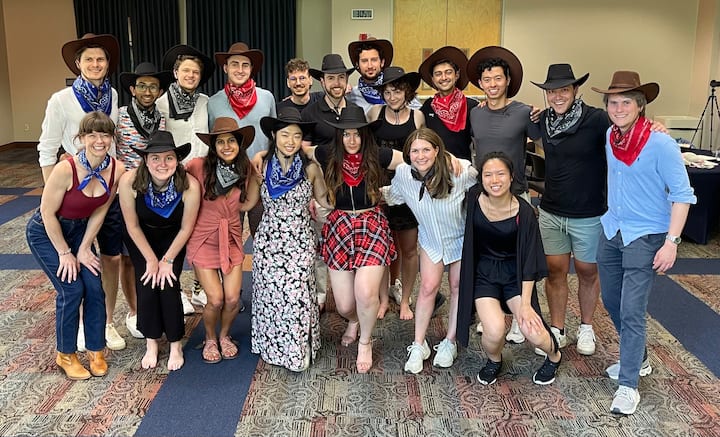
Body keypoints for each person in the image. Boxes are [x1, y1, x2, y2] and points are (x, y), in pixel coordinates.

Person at [592, 71, 696, 415]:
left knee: (632, 310)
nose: (619, 108)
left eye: (626, 102)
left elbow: (682, 195)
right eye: (613, 102)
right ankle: (640, 358)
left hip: (646, 234)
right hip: (612, 230)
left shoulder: (661, 143)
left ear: (640, 105)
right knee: (611, 300)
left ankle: (628, 385)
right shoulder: (611, 135)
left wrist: (672, 242)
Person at [37, 33, 125, 352]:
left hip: (106, 188)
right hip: (74, 192)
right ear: (78, 64)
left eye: (100, 59)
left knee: (110, 256)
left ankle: (107, 321)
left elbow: (111, 142)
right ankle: (79, 325)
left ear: (108, 64)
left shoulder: (112, 95)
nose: (95, 64)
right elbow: (47, 149)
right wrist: (56, 193)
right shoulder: (61, 100)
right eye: (89, 59)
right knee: (73, 263)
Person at [303, 106, 404, 373]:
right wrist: (263, 153)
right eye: (346, 134)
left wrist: (449, 158)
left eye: (357, 134)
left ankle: (366, 341)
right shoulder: (327, 153)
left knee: (366, 293)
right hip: (339, 227)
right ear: (339, 136)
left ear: (365, 135)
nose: (352, 140)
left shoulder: (378, 155)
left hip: (372, 226)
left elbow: (414, 157)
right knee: (345, 304)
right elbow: (300, 150)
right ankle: (354, 320)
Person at [27, 111, 125, 380]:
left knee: (94, 288)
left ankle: (96, 349)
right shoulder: (65, 169)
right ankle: (66, 354)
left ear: (112, 138)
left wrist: (84, 248)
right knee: (71, 289)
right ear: (81, 138)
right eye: (92, 134)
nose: (99, 140)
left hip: (81, 233)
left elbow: (100, 211)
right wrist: (65, 253)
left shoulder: (116, 169)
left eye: (105, 134)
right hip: (48, 233)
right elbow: (47, 213)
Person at [457, 152, 562, 386]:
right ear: (481, 178)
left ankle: (555, 356)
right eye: (488, 175)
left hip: (516, 275)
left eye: (500, 174)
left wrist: (525, 305)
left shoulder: (524, 212)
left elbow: (530, 261)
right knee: (494, 331)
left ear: (512, 176)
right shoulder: (473, 198)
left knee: (532, 332)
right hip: (484, 274)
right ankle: (494, 360)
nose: (494, 180)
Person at [381, 128, 477, 373]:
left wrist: (455, 159)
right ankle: (418, 343)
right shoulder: (403, 174)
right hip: (431, 240)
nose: (420, 156)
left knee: (457, 286)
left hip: (460, 239)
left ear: (437, 150)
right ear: (408, 154)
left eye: (426, 149)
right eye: (415, 151)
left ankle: (450, 341)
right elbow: (392, 195)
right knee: (427, 288)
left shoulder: (457, 171)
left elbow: (482, 178)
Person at [466, 45, 541, 343]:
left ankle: (520, 316)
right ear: (480, 83)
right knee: (487, 256)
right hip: (484, 197)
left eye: (498, 78)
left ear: (507, 80)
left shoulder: (524, 112)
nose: (493, 84)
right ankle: (490, 313)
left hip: (517, 195)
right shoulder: (475, 114)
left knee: (519, 258)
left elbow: (544, 139)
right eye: (487, 80)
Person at [251, 108, 332, 372]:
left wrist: (356, 197)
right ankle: (273, 346)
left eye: (297, 136)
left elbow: (325, 200)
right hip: (268, 240)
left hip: (300, 239)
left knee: (297, 293)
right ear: (274, 136)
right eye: (285, 134)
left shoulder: (310, 168)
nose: (290, 141)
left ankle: (298, 349)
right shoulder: (262, 166)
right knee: (272, 295)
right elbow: (248, 203)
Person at [118, 131, 200, 371]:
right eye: (155, 158)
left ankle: (175, 344)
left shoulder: (189, 185)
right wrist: (151, 260)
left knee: (168, 284)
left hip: (173, 237)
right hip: (141, 236)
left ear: (177, 160)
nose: (162, 164)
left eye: (168, 158)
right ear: (146, 160)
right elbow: (132, 226)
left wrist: (167, 260)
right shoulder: (129, 181)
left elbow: (186, 228)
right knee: (146, 284)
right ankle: (151, 342)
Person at [186, 117, 260, 363]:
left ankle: (225, 335)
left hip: (231, 237)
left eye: (231, 141)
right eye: (221, 142)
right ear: (213, 146)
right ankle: (209, 338)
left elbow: (248, 203)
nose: (227, 146)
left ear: (239, 144)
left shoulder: (245, 168)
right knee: (215, 298)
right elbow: (175, 183)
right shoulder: (197, 166)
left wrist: (258, 174)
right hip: (204, 237)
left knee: (232, 299)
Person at [115, 62, 173, 342]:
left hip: (155, 193)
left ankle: (154, 304)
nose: (147, 91)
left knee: (154, 251)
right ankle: (134, 310)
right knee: (129, 256)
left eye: (152, 86)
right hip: (127, 192)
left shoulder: (161, 119)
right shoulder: (120, 115)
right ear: (132, 89)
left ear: (159, 91)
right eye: (142, 86)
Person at [157, 44, 215, 313]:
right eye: (186, 71)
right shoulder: (161, 104)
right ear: (175, 72)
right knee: (174, 234)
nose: (191, 75)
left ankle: (200, 287)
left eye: (195, 72)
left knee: (201, 233)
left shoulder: (205, 102)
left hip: (201, 177)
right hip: (173, 178)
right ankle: (177, 290)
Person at [367, 66, 425, 319]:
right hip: (379, 189)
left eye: (397, 91)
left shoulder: (417, 117)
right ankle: (383, 298)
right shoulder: (374, 112)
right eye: (388, 92)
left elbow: (422, 153)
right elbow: (366, 149)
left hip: (408, 189)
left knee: (409, 248)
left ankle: (405, 299)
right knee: (381, 249)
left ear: (407, 92)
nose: (392, 97)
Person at [208, 42, 276, 241]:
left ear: (251, 68)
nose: (240, 69)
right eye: (234, 64)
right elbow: (212, 142)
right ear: (225, 68)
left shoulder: (266, 98)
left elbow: (274, 138)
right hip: (228, 180)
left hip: (259, 177)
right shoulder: (213, 102)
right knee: (229, 236)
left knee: (263, 235)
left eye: (245, 65)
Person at [418, 46, 478, 161]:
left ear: (456, 75)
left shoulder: (471, 105)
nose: (444, 77)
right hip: (434, 165)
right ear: (433, 79)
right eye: (438, 74)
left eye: (448, 72)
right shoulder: (428, 106)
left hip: (461, 166)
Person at [302, 54, 359, 148]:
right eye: (331, 78)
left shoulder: (356, 110)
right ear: (322, 82)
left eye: (341, 77)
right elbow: (304, 149)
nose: (337, 83)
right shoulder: (309, 113)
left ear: (347, 79)